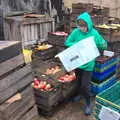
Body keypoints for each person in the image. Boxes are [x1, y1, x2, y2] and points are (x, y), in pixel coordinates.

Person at [64, 12, 107, 115]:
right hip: (78, 62)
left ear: (88, 24)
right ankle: (80, 95)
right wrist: (78, 45)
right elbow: (67, 42)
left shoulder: (94, 33)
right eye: (80, 26)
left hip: (88, 64)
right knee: (78, 82)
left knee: (85, 86)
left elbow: (103, 45)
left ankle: (88, 103)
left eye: (84, 26)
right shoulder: (75, 32)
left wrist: (101, 44)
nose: (82, 28)